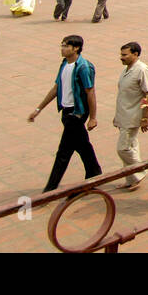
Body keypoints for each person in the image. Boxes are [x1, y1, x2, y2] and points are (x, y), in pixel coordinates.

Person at [29, 34, 102, 192]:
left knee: (64, 152)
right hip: (66, 111)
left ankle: (50, 189)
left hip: (77, 114)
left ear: (76, 48)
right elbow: (56, 88)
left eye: (65, 46)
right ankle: (95, 173)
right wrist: (38, 109)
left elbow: (90, 92)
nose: (62, 49)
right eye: (62, 46)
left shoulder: (83, 67)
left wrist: (93, 118)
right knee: (82, 145)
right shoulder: (64, 64)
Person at [113, 41, 148, 190]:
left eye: (125, 55)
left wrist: (144, 117)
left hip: (133, 116)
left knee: (123, 148)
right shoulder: (126, 69)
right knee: (131, 146)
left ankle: (139, 170)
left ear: (135, 54)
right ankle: (131, 179)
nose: (121, 57)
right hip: (123, 114)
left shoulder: (142, 70)